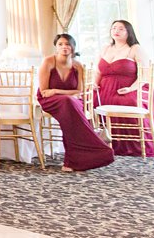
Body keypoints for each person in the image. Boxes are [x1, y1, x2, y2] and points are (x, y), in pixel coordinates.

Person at [39, 34, 114, 173]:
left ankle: (73, 160)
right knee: (69, 104)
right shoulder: (48, 62)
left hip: (72, 101)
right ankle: (95, 144)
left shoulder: (78, 66)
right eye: (60, 44)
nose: (64, 47)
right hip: (50, 101)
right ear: (56, 47)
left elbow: (78, 91)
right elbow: (44, 91)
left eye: (67, 44)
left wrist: (56, 90)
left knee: (69, 111)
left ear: (73, 47)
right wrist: (64, 94)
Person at [96, 20, 154, 156]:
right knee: (89, 102)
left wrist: (130, 88)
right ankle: (100, 143)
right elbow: (98, 72)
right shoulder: (106, 48)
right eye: (113, 28)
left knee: (126, 102)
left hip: (130, 87)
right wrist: (94, 85)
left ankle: (131, 145)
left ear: (128, 32)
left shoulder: (135, 48)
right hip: (105, 88)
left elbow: (144, 75)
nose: (116, 31)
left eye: (121, 29)